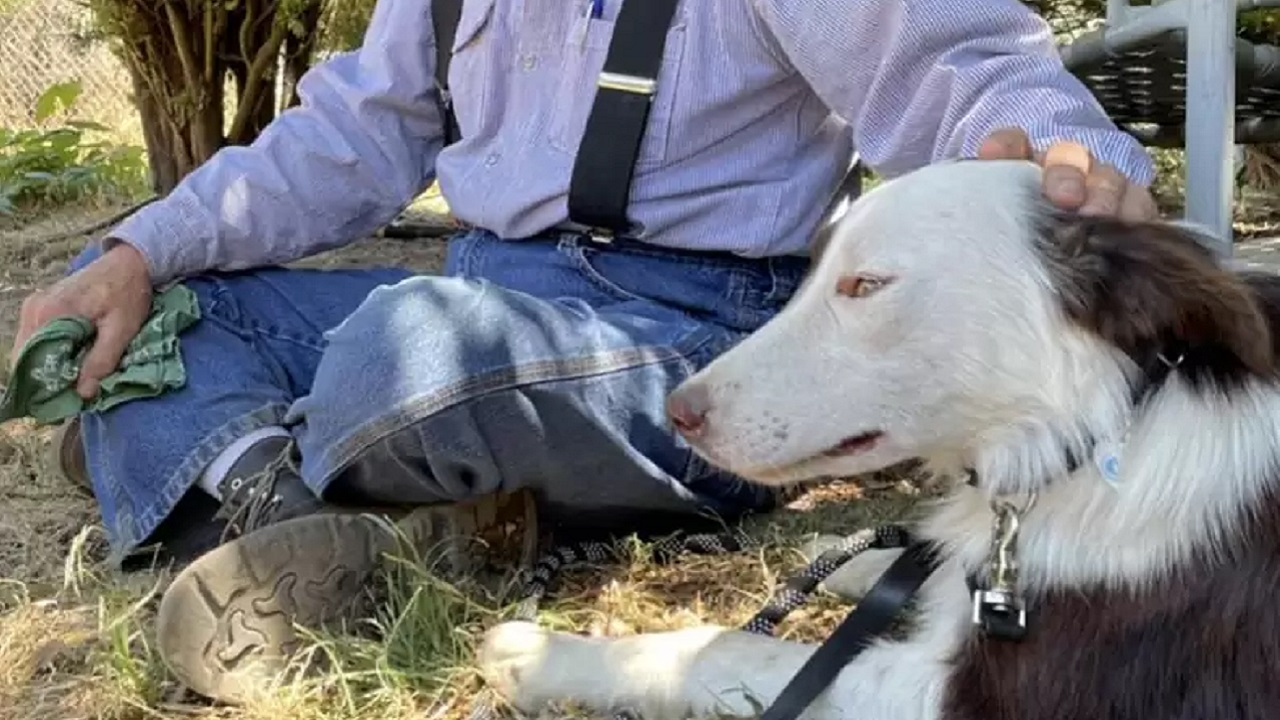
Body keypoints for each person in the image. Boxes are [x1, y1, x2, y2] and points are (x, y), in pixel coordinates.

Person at [10, 0, 1158, 705]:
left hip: (690, 324)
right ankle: (310, 510)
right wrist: (138, 248)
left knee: (396, 352)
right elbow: (350, 133)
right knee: (161, 323)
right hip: (483, 289)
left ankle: (223, 469)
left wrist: (1065, 163)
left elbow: (956, 65)